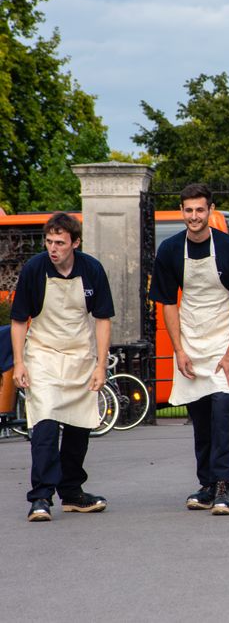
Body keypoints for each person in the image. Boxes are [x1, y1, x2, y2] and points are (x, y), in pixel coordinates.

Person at [149, 184, 229, 516]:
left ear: (210, 210)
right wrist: (179, 349)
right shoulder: (168, 251)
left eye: (200, 210)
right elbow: (166, 303)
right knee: (201, 417)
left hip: (226, 337)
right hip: (192, 339)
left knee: (223, 410)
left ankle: (224, 486)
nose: (194, 216)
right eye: (188, 210)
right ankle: (207, 485)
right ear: (182, 212)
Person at [10, 213, 114, 522]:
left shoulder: (92, 270)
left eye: (60, 243)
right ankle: (41, 497)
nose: (53, 248)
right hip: (42, 353)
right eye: (49, 242)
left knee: (79, 426)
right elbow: (18, 321)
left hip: (80, 355)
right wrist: (19, 362)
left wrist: (100, 365)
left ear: (75, 243)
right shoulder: (34, 270)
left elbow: (103, 320)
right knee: (44, 421)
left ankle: (72, 492)